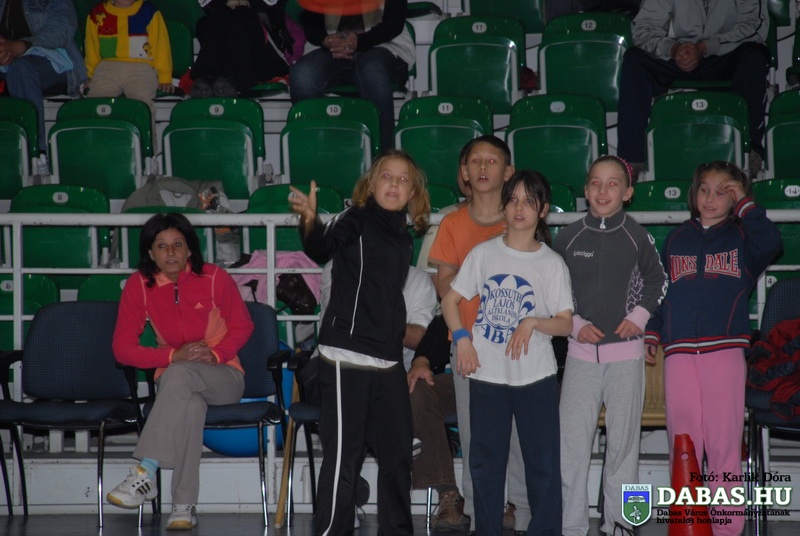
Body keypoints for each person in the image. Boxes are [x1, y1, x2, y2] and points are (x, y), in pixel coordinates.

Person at [288, 149, 430, 536]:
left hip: (387, 360)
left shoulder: (402, 235)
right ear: (370, 185)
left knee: (397, 456)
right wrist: (310, 221)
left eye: (403, 179)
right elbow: (323, 247)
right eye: (387, 176)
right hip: (345, 355)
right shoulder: (356, 218)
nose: (394, 184)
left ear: (413, 193)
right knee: (344, 457)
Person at [645, 161, 782, 534]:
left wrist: (745, 204)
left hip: (725, 352)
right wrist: (653, 331)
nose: (711, 198)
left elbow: (772, 242)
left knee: (723, 445)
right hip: (679, 354)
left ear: (735, 197)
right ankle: (688, 526)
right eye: (705, 189)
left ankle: (726, 529)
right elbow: (663, 293)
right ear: (694, 193)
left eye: (723, 192)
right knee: (684, 444)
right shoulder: (675, 239)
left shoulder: (744, 239)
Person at [441, 170, 573, 535]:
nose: (519, 208)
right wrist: (462, 339)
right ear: (504, 206)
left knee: (542, 466)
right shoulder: (484, 254)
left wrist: (533, 322)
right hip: (487, 376)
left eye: (529, 201)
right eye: (513, 199)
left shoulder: (552, 263)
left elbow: (565, 323)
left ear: (543, 210)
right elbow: (450, 301)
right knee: (485, 466)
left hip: (536, 378)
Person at [107, 213, 254, 530]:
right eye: (161, 246)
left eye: (177, 244)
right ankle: (183, 506)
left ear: (190, 249)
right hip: (176, 383)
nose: (170, 253)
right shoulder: (139, 285)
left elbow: (243, 325)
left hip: (224, 375)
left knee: (178, 374)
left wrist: (216, 354)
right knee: (190, 405)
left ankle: (145, 471)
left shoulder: (214, 277)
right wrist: (173, 355)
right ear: (150, 253)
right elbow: (122, 348)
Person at [554, 155, 668, 536]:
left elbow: (659, 281)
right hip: (579, 356)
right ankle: (570, 525)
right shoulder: (568, 237)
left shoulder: (637, 236)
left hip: (626, 358)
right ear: (586, 190)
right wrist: (575, 324)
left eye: (613, 184)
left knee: (625, 446)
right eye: (596, 183)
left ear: (628, 192)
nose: (603, 191)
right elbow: (553, 289)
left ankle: (623, 522)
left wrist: (639, 317)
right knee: (571, 445)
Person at [428, 135, 533, 534]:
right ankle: (479, 511)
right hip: (468, 345)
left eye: (493, 161)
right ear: (464, 172)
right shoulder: (452, 224)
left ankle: (521, 510)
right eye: (476, 161)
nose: (484, 167)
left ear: (508, 172)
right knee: (475, 437)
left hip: (519, 348)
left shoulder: (519, 219)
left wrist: (468, 276)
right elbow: (444, 289)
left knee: (519, 436)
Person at [617, 0, 770, 178]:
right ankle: (632, 160)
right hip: (683, 53)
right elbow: (643, 28)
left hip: (728, 52)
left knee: (754, 57)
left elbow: (754, 27)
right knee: (634, 60)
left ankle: (750, 151)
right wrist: (672, 49)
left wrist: (706, 47)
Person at [290, 0, 414, 151]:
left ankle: (384, 154)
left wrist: (359, 42)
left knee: (371, 70)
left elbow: (394, 23)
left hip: (383, 45)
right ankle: (317, 151)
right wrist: (326, 40)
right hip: (333, 48)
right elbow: (311, 22)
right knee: (303, 75)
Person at [0, 0, 87, 175]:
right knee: (17, 68)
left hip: (50, 59)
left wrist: (20, 46)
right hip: (7, 62)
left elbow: (61, 31)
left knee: (21, 68)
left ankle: (35, 154)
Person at [190, 0, 291, 97]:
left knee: (243, 13)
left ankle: (235, 80)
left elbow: (264, 5)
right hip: (226, 39)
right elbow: (208, 5)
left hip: (264, 55)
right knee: (209, 20)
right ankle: (207, 78)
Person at [84, 0, 174, 105]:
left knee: (141, 99)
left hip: (141, 68)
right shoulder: (97, 13)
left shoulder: (149, 12)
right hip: (106, 68)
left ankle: (141, 116)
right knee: (96, 102)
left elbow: (161, 46)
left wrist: (165, 78)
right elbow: (91, 47)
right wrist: (91, 76)